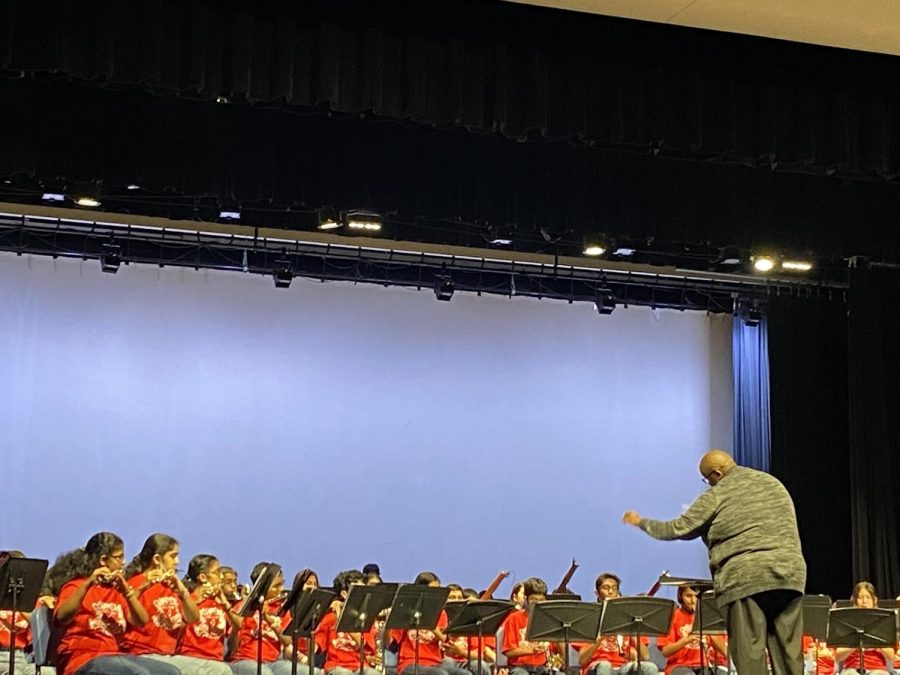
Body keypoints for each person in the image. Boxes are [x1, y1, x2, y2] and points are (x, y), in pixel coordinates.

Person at [622, 449, 807, 675]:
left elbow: (677, 528)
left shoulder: (718, 493)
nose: (708, 484)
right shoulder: (772, 483)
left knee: (750, 656)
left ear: (717, 474)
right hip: (789, 575)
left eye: (707, 479)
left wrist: (640, 522)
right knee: (789, 657)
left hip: (745, 578)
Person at [53, 532, 181, 675]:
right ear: (103, 560)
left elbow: (141, 621)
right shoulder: (75, 586)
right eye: (119, 557)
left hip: (114, 658)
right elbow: (61, 617)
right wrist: (88, 584)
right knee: (139, 673)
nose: (124, 562)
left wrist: (128, 592)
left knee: (171, 672)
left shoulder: (115, 592)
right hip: (83, 659)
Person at [120, 534, 201, 661]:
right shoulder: (135, 584)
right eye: (173, 556)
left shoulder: (172, 586)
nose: (177, 561)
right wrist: (140, 589)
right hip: (141, 654)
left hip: (168, 656)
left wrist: (183, 593)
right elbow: (129, 619)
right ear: (157, 559)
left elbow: (193, 618)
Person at [575, 574, 656, 675]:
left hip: (623, 667)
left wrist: (632, 629)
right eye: (606, 588)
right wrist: (600, 638)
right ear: (597, 593)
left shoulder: (628, 618)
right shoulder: (588, 619)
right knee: (605, 666)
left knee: (650, 667)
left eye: (614, 588)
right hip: (597, 666)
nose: (610, 591)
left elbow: (645, 657)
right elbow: (582, 660)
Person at [175, 554, 241, 675]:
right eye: (216, 573)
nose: (220, 577)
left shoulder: (219, 601)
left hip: (215, 660)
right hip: (190, 657)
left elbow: (239, 624)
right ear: (203, 577)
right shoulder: (188, 599)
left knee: (223, 670)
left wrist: (225, 603)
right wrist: (197, 600)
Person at [656, 585, 725, 675]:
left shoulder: (707, 617)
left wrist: (709, 629)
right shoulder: (672, 617)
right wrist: (686, 640)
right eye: (688, 596)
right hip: (678, 665)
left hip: (704, 665)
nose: (693, 600)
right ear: (680, 597)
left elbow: (724, 651)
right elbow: (665, 652)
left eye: (696, 596)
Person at [834, 582, 892, 675]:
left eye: (868, 597)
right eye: (860, 598)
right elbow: (838, 656)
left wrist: (875, 638)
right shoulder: (848, 623)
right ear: (855, 600)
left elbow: (890, 656)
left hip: (877, 669)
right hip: (852, 668)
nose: (864, 601)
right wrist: (858, 640)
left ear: (875, 600)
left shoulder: (883, 623)